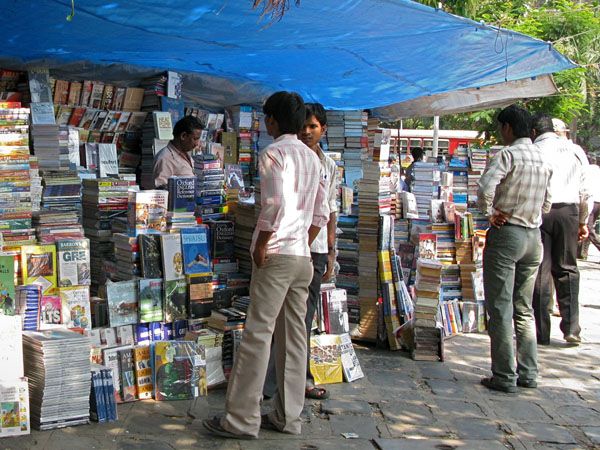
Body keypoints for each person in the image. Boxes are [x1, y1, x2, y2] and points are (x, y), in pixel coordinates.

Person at [203, 91, 328, 439]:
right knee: (294, 338)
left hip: (276, 255)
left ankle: (240, 420)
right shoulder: (312, 158)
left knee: (258, 336)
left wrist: (261, 245)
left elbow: (272, 206)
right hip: (302, 256)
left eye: (265, 118)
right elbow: (322, 212)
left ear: (271, 121)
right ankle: (288, 418)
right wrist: (303, 236)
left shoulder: (273, 153)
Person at [262, 102, 337, 401]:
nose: (307, 132)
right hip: (292, 249)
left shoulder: (326, 164)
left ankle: (296, 382)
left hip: (309, 250)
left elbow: (329, 210)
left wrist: (328, 250)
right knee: (275, 319)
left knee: (299, 320)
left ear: (323, 130)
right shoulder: (290, 156)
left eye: (313, 127)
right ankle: (273, 387)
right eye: (303, 126)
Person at [477, 105, 552, 393]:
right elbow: (547, 202)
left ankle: (504, 375)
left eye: (500, 127)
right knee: (524, 308)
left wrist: (491, 212)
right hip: (533, 237)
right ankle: (529, 373)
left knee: (500, 306)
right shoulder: (542, 159)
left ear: (508, 127)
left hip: (508, 235)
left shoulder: (508, 155)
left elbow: (485, 187)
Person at [531, 114, 590, 345]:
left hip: (541, 211)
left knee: (541, 270)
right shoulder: (574, 150)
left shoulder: (535, 150)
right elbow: (585, 190)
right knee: (567, 268)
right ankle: (571, 328)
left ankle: (541, 331)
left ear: (535, 131)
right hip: (569, 211)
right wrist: (583, 221)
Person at [152, 116, 203, 189]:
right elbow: (161, 191)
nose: (197, 144)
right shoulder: (165, 159)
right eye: (195, 139)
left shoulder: (186, 153)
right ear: (183, 136)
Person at [579, 160, 600, 259]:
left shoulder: (586, 169)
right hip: (598, 202)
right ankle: (583, 252)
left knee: (588, 226)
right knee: (589, 226)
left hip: (591, 200)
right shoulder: (598, 170)